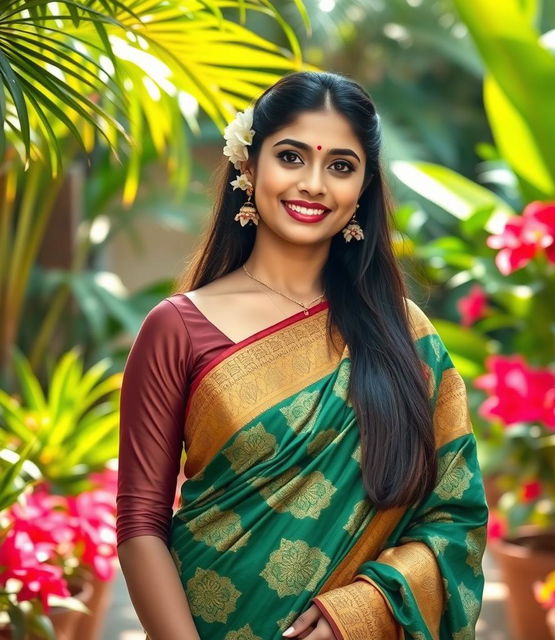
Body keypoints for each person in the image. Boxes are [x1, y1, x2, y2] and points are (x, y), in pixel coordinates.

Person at [116, 70, 488, 640]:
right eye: (291, 157)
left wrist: (362, 613)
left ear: (362, 187)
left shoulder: (403, 335)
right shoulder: (177, 328)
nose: (313, 183)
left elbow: (455, 520)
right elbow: (141, 523)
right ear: (250, 164)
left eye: (341, 166)